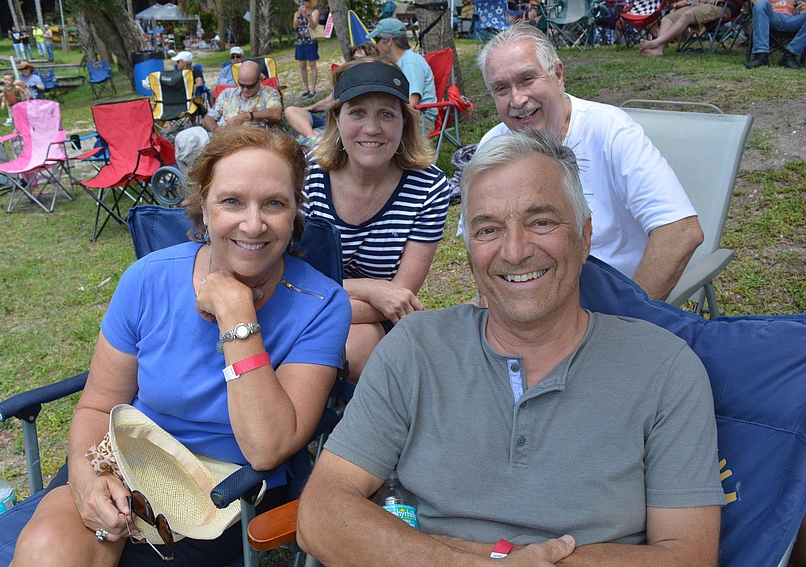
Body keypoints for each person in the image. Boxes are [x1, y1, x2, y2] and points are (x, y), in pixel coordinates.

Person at [296, 130, 725, 566]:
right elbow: (320, 513)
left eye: (541, 221)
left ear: (584, 235)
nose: (516, 251)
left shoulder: (664, 369)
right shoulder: (414, 347)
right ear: (469, 251)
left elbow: (688, 556)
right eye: (489, 229)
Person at [10, 128, 352, 567]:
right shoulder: (147, 279)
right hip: (126, 458)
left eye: (274, 203)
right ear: (204, 207)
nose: (253, 223)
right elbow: (97, 407)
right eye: (231, 201)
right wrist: (85, 477)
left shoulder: (321, 305)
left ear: (294, 213)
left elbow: (267, 447)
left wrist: (237, 315)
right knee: (46, 551)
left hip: (227, 492)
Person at [461, 23, 702, 301]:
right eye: (502, 88)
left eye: (527, 79)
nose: (517, 99)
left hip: (611, 302)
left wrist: (632, 318)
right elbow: (475, 237)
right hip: (531, 304)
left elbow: (680, 231)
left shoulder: (610, 130)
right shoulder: (494, 144)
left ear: (558, 74)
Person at [303, 59, 450, 380]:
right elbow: (280, 275)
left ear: (405, 123)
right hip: (296, 303)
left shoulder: (428, 188)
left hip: (364, 315)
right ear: (336, 119)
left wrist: (311, 301)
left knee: (354, 348)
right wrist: (367, 288)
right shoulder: (306, 174)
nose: (372, 128)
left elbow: (399, 298)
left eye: (386, 113)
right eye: (357, 112)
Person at [284, 42, 379, 145]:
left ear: (372, 61)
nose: (356, 63)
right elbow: (327, 101)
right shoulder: (347, 79)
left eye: (361, 60)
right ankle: (311, 136)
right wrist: (310, 108)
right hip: (327, 119)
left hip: (339, 124)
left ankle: (311, 137)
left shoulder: (373, 83)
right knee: (291, 111)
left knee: (301, 135)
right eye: (354, 59)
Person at [366, 17, 438, 127]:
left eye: (377, 39)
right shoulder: (400, 62)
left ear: (389, 41)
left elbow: (411, 102)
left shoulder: (410, 63)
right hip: (406, 116)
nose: (375, 45)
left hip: (420, 120)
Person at [203, 59, 283, 132]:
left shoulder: (269, 93)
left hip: (252, 141)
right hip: (223, 138)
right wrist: (216, 130)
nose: (245, 89)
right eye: (241, 85)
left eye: (250, 86)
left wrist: (248, 116)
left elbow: (276, 113)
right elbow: (208, 118)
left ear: (260, 79)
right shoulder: (227, 94)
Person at [639, 0, 739, 56]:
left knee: (688, 14)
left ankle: (656, 42)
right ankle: (658, 50)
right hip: (701, 4)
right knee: (667, 19)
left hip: (723, 7)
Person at [745, 0, 806, 68]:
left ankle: (790, 55)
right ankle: (761, 55)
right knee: (761, 3)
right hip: (771, 16)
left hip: (794, 19)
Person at [293, 0, 321, 98]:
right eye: (302, 1)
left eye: (306, 1)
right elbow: (295, 26)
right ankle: (306, 88)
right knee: (302, 65)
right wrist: (298, 15)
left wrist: (307, 15)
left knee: (312, 64)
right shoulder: (297, 13)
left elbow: (313, 25)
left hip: (311, 41)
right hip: (300, 41)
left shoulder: (315, 12)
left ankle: (313, 89)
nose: (304, 3)